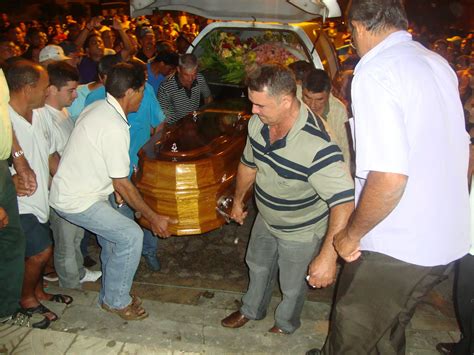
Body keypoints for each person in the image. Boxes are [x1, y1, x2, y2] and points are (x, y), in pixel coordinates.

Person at [306, 1, 470, 354]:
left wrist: (350, 235)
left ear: (359, 28)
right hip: (446, 239)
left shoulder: (376, 70)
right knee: (388, 329)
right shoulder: (436, 63)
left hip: (399, 243)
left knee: (349, 336)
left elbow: (389, 177)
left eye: (351, 34)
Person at [220, 64, 354, 334]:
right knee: (256, 265)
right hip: (266, 218)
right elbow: (249, 164)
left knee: (292, 284)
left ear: (286, 101)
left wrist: (328, 256)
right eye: (252, 103)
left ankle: (285, 323)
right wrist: (237, 201)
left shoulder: (318, 145)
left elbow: (344, 201)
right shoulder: (259, 123)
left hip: (302, 229)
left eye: (260, 105)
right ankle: (251, 309)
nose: (253, 111)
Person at [49, 63, 174, 321]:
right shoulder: (113, 124)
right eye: (142, 90)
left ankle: (112, 292)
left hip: (89, 188)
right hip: (78, 198)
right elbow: (123, 183)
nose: (144, 95)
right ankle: (116, 301)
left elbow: (103, 162)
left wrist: (115, 188)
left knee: (114, 238)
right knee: (130, 235)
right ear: (130, 92)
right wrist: (154, 218)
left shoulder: (99, 107)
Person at [6, 60, 73, 329]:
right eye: (44, 87)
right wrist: (11, 179)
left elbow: (50, 156)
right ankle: (26, 300)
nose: (48, 92)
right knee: (40, 252)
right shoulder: (4, 119)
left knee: (40, 249)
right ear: (27, 88)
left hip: (41, 199)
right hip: (18, 203)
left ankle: (39, 292)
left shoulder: (42, 113)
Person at [84, 58, 167, 271]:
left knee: (145, 212)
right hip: (110, 176)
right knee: (121, 224)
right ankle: (120, 267)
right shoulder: (95, 99)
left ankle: (148, 251)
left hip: (141, 168)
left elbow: (160, 123)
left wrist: (153, 150)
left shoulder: (145, 90)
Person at [40, 61, 102, 289]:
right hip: (63, 189)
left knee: (76, 237)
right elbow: (51, 160)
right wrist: (73, 183)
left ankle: (78, 272)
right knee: (65, 240)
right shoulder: (44, 117)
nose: (76, 95)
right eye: (71, 90)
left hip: (74, 186)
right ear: (53, 89)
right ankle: (70, 283)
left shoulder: (61, 110)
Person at [0, 66, 37, 324]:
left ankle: (6, 310)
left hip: (3, 163)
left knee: (12, 239)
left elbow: (3, 119)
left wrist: (19, 160)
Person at [302, 69, 351, 167]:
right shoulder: (295, 102)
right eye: (307, 97)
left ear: (329, 94)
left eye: (319, 99)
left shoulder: (338, 110)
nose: (312, 105)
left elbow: (345, 149)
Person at [158, 53, 212, 125]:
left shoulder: (199, 78)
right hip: (175, 126)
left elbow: (208, 97)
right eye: (186, 75)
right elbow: (162, 115)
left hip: (194, 123)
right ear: (178, 69)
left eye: (194, 74)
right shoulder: (166, 86)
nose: (190, 79)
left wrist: (206, 117)